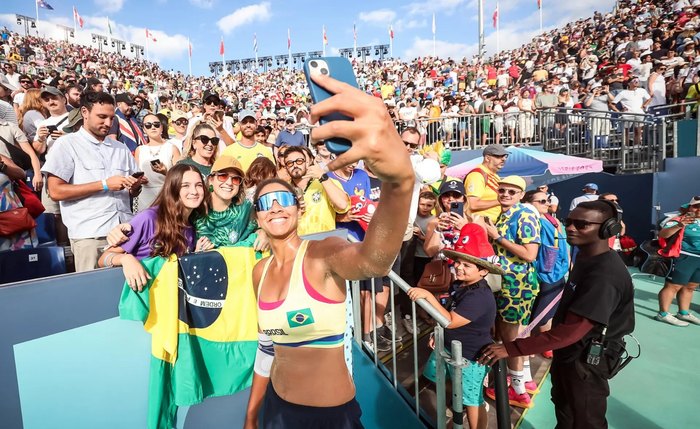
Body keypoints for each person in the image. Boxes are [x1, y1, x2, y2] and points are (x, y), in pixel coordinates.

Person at [248, 73, 414, 428]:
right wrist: (252, 414)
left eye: (283, 199)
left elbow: (373, 261)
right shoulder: (259, 272)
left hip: (329, 417)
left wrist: (399, 183)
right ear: (257, 217)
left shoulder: (322, 254)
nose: (275, 207)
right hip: (276, 410)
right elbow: (267, 349)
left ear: (298, 207)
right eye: (266, 203)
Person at [479, 200, 635, 429]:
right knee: (566, 411)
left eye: (582, 224)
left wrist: (511, 348)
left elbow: (572, 331)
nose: (571, 228)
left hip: (587, 361)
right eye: (569, 222)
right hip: (572, 355)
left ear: (607, 229)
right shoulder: (586, 257)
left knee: (585, 420)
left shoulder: (604, 275)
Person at [409, 224, 502, 429]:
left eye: (467, 266)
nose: (459, 267)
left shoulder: (479, 296)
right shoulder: (461, 285)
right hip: (450, 347)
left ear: (483, 271)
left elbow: (451, 320)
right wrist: (438, 332)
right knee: (448, 384)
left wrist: (426, 296)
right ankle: (455, 418)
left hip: (470, 356)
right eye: (458, 262)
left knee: (472, 402)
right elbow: (447, 317)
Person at [41, 91, 143, 272]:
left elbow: (131, 192)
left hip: (125, 234)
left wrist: (134, 187)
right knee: (91, 294)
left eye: (112, 118)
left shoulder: (120, 148)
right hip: (90, 236)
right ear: (84, 113)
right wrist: (104, 184)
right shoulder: (66, 145)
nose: (108, 123)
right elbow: (55, 191)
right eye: (102, 117)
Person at [479, 175, 540, 408]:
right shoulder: (507, 214)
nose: (505, 194)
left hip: (516, 285)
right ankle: (523, 380)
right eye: (502, 190)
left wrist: (497, 237)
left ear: (521, 195)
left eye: (511, 192)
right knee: (515, 335)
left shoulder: (524, 214)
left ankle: (517, 391)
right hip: (508, 284)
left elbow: (529, 254)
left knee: (510, 339)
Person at [97, 164, 212, 285]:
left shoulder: (191, 224)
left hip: (169, 297)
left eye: (199, 185)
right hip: (144, 295)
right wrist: (126, 259)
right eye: (185, 186)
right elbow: (103, 259)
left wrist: (196, 255)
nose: (194, 191)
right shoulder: (149, 218)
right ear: (173, 188)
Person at [522, 190, 570, 359]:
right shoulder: (532, 221)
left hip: (557, 271)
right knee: (540, 312)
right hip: (543, 273)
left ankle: (543, 345)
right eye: (541, 201)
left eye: (547, 200)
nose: (547, 203)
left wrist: (569, 265)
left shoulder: (553, 220)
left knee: (548, 312)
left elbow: (564, 245)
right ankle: (532, 347)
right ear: (529, 203)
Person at [282, 146, 349, 237]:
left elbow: (342, 205)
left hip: (324, 244)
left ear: (307, 163)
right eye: (290, 163)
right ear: (285, 167)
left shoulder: (326, 182)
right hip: (297, 246)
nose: (295, 165)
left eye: (299, 161)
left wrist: (322, 177)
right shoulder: (283, 191)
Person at [655, 195, 700, 327]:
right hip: (683, 256)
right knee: (673, 286)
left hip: (699, 259)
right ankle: (663, 314)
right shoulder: (678, 219)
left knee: (691, 287)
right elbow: (663, 234)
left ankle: (683, 313)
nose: (699, 209)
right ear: (689, 207)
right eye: (696, 206)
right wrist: (681, 225)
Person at [134, 113, 181, 210]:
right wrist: (139, 180)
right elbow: (135, 174)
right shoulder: (140, 150)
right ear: (144, 129)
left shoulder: (172, 148)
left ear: (162, 127)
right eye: (148, 125)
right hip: (145, 195)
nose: (153, 127)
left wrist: (165, 172)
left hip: (166, 194)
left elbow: (180, 177)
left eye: (156, 124)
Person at [464, 144, 508, 223]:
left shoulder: (494, 175)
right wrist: (501, 201)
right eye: (498, 156)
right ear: (487, 158)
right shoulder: (477, 175)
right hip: (481, 225)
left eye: (505, 156)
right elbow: (472, 204)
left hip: (493, 224)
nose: (503, 159)